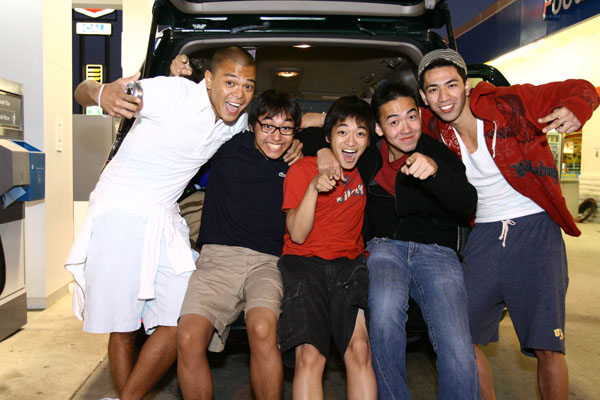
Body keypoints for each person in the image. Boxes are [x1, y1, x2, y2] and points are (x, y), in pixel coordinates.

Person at [65, 46, 257, 400]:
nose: (239, 94)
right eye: (230, 82)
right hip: (119, 209)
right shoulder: (171, 92)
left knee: (182, 317)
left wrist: (316, 144)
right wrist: (100, 92)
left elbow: (284, 123)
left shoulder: (237, 121)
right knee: (122, 325)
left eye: (248, 86)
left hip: (164, 215)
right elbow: (83, 90)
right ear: (209, 79)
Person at [417, 48, 600, 400]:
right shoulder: (433, 127)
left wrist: (578, 109)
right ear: (424, 97)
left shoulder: (509, 103)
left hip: (535, 228)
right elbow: (384, 117)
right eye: (433, 89)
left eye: (451, 85)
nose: (444, 96)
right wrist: (320, 128)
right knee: (459, 334)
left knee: (548, 344)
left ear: (466, 86)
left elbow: (582, 88)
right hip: (485, 234)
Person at [176, 89, 302, 400]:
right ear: (252, 126)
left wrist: (317, 148)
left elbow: (332, 133)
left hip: (268, 262)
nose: (276, 136)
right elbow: (195, 113)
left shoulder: (298, 160)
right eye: (268, 126)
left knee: (262, 328)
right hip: (218, 258)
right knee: (188, 336)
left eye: (286, 128)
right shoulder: (227, 147)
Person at [363, 82, 479, 399]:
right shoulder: (368, 157)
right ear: (379, 128)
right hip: (384, 247)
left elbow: (467, 203)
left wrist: (436, 173)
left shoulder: (438, 154)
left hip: (437, 251)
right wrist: (320, 146)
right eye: (394, 121)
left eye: (411, 117)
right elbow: (333, 137)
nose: (405, 128)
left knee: (456, 342)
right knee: (384, 313)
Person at [278, 96, 377, 400]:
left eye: (360, 133)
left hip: (349, 266)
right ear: (328, 136)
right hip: (304, 264)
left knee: (360, 349)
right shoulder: (302, 169)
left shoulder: (366, 166)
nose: (351, 141)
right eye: (342, 132)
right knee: (311, 355)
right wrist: (313, 188)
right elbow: (297, 235)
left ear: (369, 141)